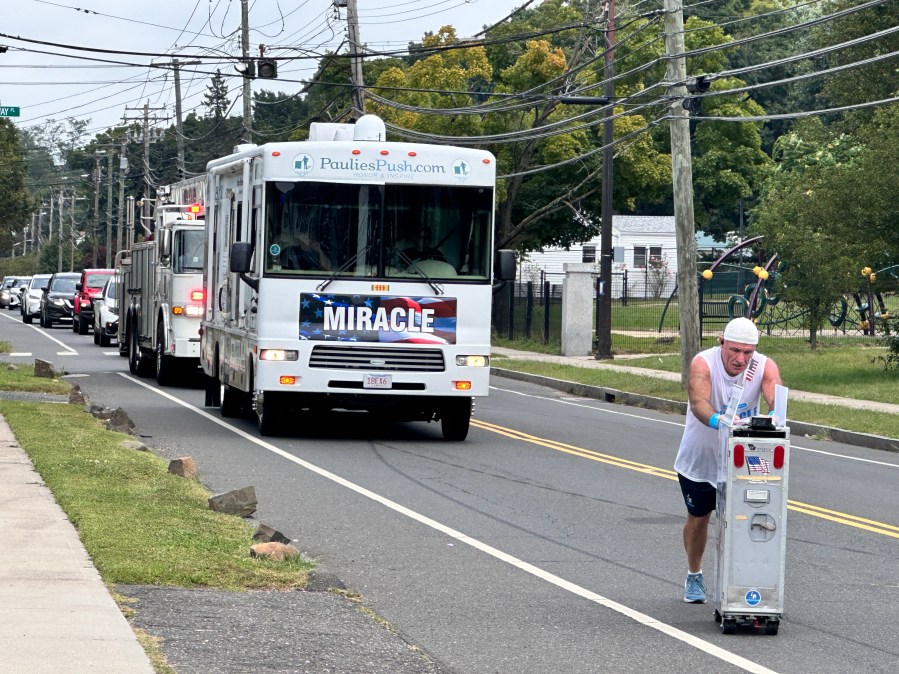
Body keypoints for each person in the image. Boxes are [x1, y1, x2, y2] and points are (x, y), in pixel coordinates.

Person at [674, 316, 782, 604]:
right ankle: (694, 574)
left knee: (747, 521)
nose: (740, 358)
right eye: (734, 350)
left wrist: (776, 413)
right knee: (699, 519)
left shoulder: (763, 365)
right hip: (701, 459)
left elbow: (774, 391)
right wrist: (716, 419)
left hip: (741, 461)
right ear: (721, 342)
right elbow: (698, 401)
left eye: (747, 352)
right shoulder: (703, 362)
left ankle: (743, 582)